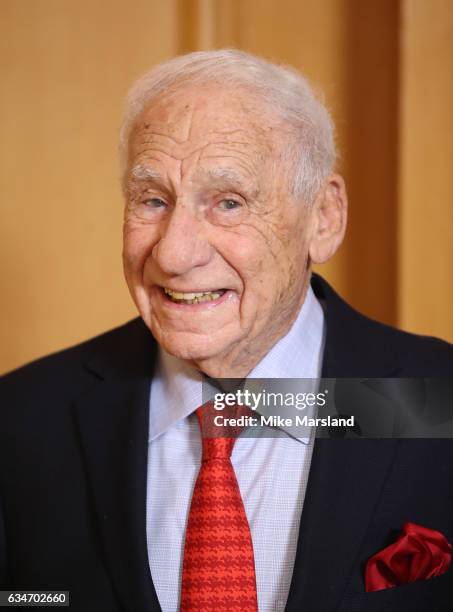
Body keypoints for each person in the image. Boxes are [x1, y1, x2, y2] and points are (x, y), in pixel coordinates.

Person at [1, 50, 452, 612]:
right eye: (153, 200)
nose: (173, 253)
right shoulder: (19, 421)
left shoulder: (439, 401)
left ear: (324, 218)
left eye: (229, 203)